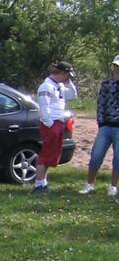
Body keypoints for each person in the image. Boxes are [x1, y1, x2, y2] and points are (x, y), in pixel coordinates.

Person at [33, 60, 77, 193]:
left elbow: (73, 95)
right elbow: (44, 107)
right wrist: (50, 124)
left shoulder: (60, 86)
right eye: (67, 75)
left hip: (58, 122)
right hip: (51, 123)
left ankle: (43, 182)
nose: (67, 78)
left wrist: (69, 82)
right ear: (62, 73)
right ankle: (38, 184)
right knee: (46, 154)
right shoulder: (46, 87)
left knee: (52, 154)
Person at [79, 55, 119, 197]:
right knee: (96, 155)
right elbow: (101, 103)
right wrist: (101, 123)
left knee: (118, 159)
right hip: (106, 126)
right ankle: (89, 184)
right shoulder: (106, 84)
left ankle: (113, 186)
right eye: (116, 66)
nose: (117, 69)